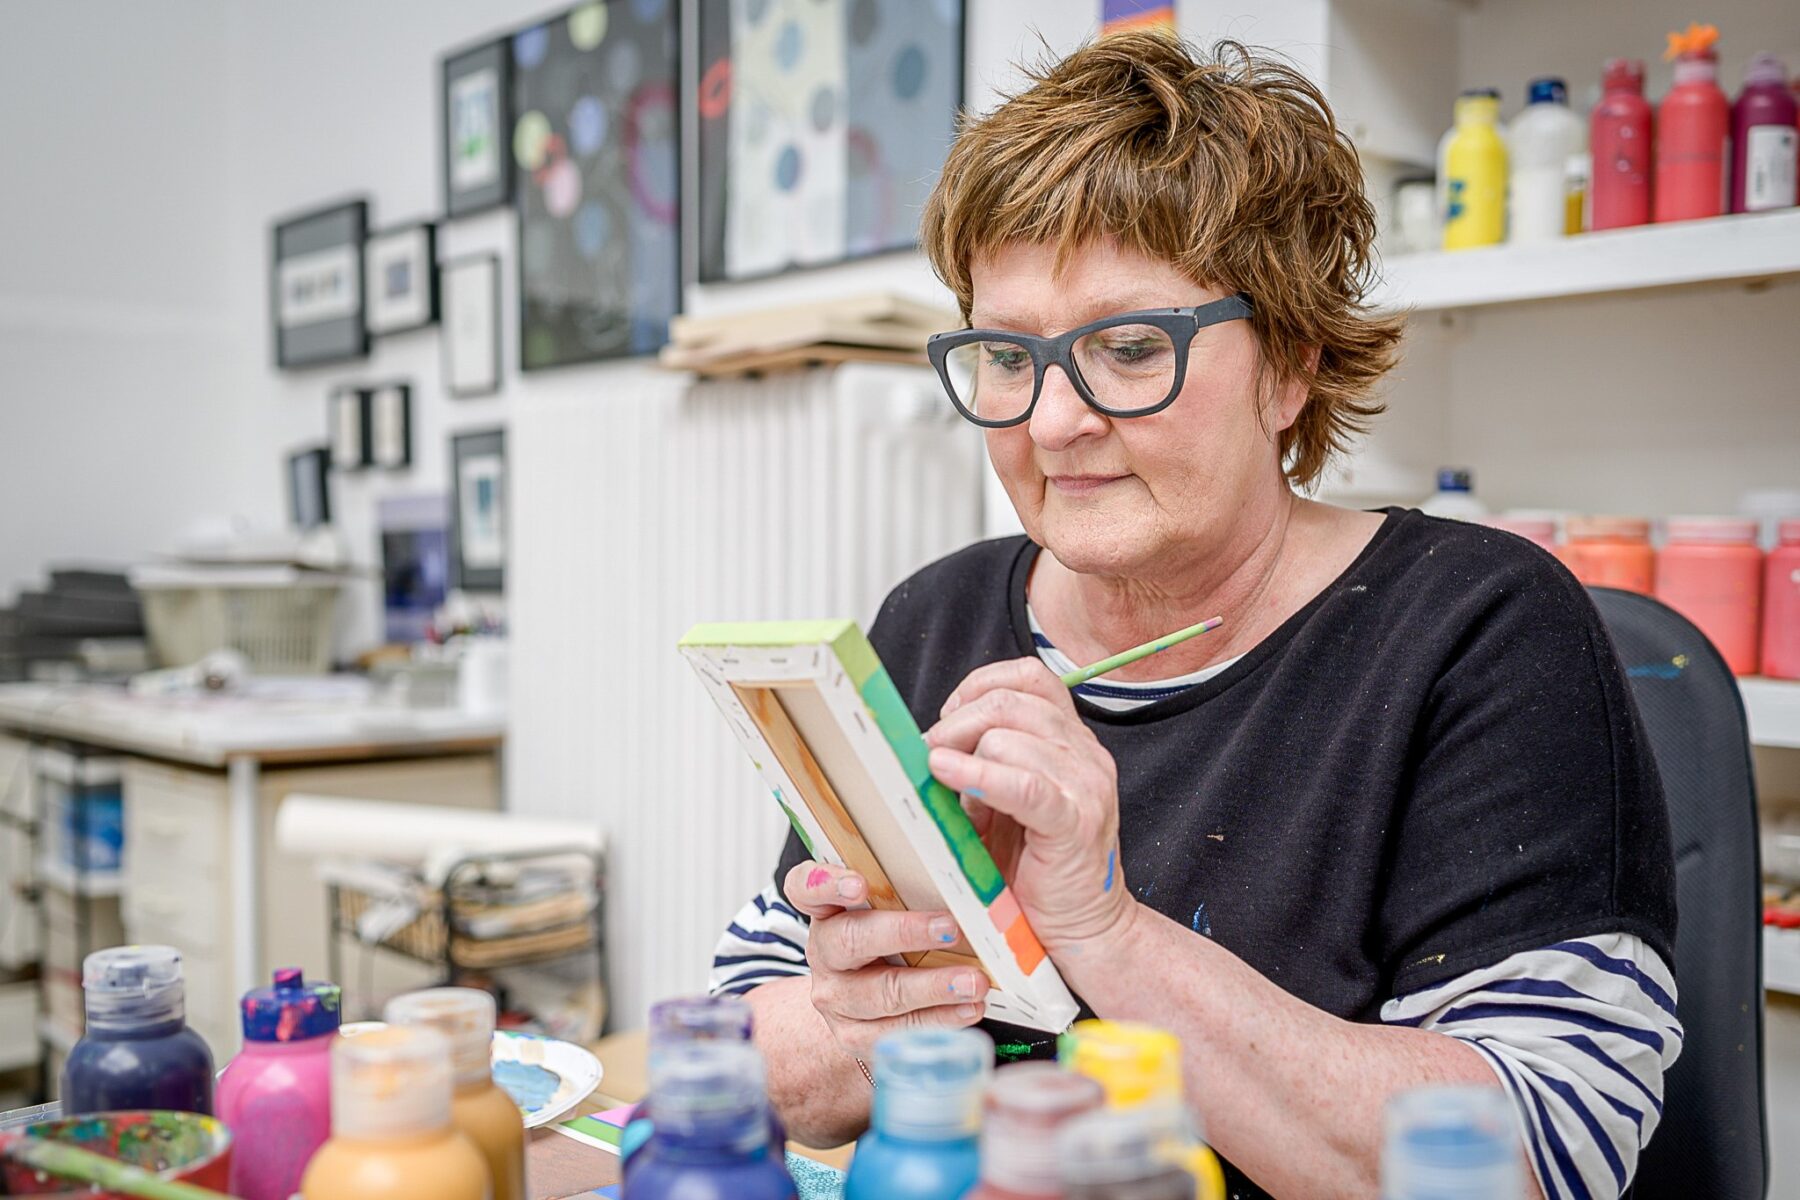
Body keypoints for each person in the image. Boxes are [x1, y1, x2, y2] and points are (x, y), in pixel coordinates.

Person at [710, 32, 1678, 1200]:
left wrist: (1106, 935)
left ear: (1292, 363)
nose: (1052, 421)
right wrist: (882, 998)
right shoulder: (938, 618)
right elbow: (744, 1060)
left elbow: (1539, 1148)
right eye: (1007, 357)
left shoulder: (1478, 631)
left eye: (1128, 348)